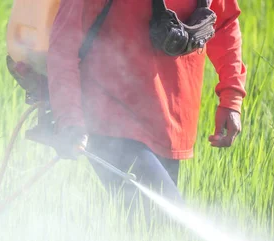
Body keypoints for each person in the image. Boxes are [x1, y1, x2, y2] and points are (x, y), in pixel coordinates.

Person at [47, 0, 246, 211]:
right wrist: (70, 120)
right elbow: (64, 44)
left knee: (150, 236)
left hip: (170, 127)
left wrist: (232, 97)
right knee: (165, 222)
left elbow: (223, 22)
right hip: (109, 121)